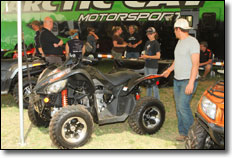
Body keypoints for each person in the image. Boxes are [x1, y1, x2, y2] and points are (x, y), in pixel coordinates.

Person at [161, 18, 200, 142]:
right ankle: (183, 133)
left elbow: (195, 64)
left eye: (174, 30)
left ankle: (194, 135)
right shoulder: (179, 42)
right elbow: (177, 60)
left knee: (183, 106)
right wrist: (169, 70)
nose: (174, 32)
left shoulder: (193, 42)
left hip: (188, 80)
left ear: (178, 29)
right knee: (178, 107)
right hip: (177, 80)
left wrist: (191, 82)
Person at [140, 27, 161, 100]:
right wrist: (144, 56)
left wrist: (147, 56)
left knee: (154, 84)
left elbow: (158, 56)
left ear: (154, 34)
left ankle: (157, 99)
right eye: (148, 34)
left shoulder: (156, 43)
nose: (149, 35)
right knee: (148, 83)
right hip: (147, 65)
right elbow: (146, 52)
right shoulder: (147, 43)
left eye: (151, 34)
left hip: (153, 66)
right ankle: (148, 98)